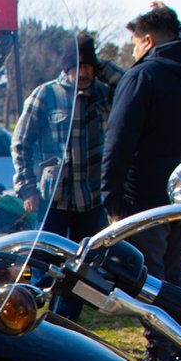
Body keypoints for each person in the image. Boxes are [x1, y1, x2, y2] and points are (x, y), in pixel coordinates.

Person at [102, 2, 181, 361]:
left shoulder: (144, 76)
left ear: (148, 41)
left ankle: (161, 357)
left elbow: (118, 141)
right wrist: (173, 17)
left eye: (134, 44)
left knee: (149, 281)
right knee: (173, 273)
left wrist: (112, 199)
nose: (132, 52)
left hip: (145, 195)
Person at [13, 34, 123, 321]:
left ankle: (65, 325)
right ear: (66, 67)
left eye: (89, 66)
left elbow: (128, 85)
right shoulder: (45, 95)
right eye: (79, 66)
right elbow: (20, 143)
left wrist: (104, 67)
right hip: (53, 199)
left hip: (91, 199)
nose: (84, 73)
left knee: (81, 271)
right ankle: (35, 322)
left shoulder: (104, 94)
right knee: (44, 266)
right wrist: (26, 188)